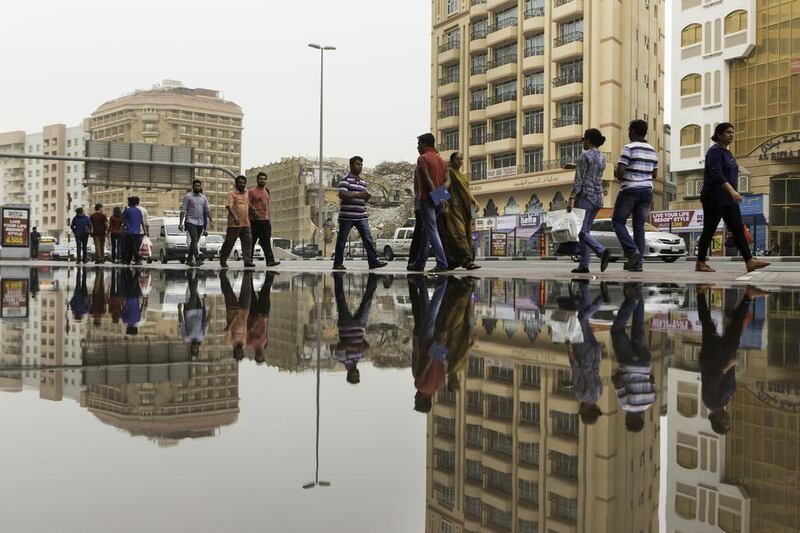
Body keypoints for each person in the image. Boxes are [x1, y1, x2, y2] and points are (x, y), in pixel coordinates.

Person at [695, 123, 769, 273]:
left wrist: (732, 193)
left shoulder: (727, 153)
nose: (732, 135)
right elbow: (717, 175)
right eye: (728, 132)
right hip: (713, 197)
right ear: (719, 134)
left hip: (728, 198)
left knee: (738, 228)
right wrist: (733, 192)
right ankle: (700, 262)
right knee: (709, 229)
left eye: (733, 132)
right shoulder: (714, 151)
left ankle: (749, 261)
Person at [698, 285, 767, 434]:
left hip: (713, 357)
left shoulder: (711, 401)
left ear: (716, 420)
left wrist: (729, 365)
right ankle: (748, 296)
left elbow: (713, 379)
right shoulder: (723, 402)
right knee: (731, 328)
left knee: (709, 325)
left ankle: (701, 293)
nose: (728, 419)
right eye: (729, 423)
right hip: (724, 356)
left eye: (724, 422)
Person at [612, 120, 659, 272]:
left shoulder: (629, 147)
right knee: (639, 226)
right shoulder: (652, 150)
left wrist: (618, 174)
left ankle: (632, 252)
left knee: (618, 222)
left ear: (632, 131)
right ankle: (637, 264)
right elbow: (655, 173)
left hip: (630, 189)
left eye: (629, 130)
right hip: (647, 190)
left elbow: (620, 172)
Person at [611, 283, 656, 432]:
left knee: (638, 326)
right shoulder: (626, 405)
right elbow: (618, 383)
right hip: (627, 363)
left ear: (642, 419)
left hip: (644, 363)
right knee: (617, 330)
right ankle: (632, 301)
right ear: (629, 420)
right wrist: (615, 374)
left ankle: (638, 290)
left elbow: (652, 379)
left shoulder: (650, 402)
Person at [567, 128, 611, 274]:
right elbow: (593, 171)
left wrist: (571, 198)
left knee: (580, 231)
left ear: (589, 140)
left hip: (586, 197)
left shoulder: (584, 156)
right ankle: (583, 265)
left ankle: (601, 251)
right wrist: (574, 166)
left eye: (584, 140)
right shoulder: (602, 157)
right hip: (598, 198)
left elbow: (579, 180)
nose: (583, 143)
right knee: (585, 231)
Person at [332, 156, 387, 271]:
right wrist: (359, 194)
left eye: (361, 164)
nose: (360, 166)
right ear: (351, 165)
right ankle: (338, 263)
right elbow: (342, 194)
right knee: (342, 239)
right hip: (347, 216)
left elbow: (362, 198)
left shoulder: (363, 182)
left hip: (361, 215)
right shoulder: (345, 180)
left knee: (368, 238)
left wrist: (365, 197)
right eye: (358, 164)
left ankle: (373, 261)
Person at [566, 280, 605, 424]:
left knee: (583, 318)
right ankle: (600, 301)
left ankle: (583, 289)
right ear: (585, 411)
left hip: (596, 355)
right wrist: (568, 349)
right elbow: (575, 367)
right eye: (581, 412)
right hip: (584, 353)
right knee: (581, 319)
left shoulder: (599, 394)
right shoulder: (581, 395)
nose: (579, 409)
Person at [409, 134, 450, 273]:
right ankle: (420, 263)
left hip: (427, 199)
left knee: (432, 231)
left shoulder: (422, 159)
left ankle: (442, 263)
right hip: (439, 198)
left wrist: (435, 195)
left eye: (419, 144)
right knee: (426, 232)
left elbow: (426, 178)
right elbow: (448, 181)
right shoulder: (442, 161)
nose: (417, 147)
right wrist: (441, 195)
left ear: (425, 144)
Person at [409, 274, 448, 412]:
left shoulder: (440, 385)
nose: (414, 398)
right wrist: (429, 352)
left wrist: (441, 345)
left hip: (438, 349)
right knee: (431, 314)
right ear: (421, 400)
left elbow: (443, 365)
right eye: (416, 401)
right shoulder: (420, 385)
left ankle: (422, 285)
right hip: (427, 347)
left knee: (428, 314)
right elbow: (424, 365)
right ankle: (443, 286)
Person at [333, 272, 379, 384]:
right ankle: (374, 278)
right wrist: (358, 346)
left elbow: (340, 347)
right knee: (367, 301)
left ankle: (337, 277)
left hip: (346, 325)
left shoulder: (343, 360)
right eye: (357, 376)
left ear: (349, 374)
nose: (356, 374)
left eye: (354, 376)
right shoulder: (358, 359)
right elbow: (366, 346)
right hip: (360, 325)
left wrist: (353, 347)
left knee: (341, 300)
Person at [439, 152, 480, 271]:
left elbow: (467, 191)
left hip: (464, 209)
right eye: (457, 159)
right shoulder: (449, 173)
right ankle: (467, 260)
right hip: (452, 208)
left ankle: (457, 261)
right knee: (458, 234)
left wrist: (474, 201)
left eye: (461, 159)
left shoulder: (463, 176)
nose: (460, 161)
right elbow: (446, 185)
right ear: (451, 161)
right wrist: (436, 199)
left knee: (466, 234)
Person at [220, 175, 255, 269]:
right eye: (240, 182)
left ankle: (247, 261)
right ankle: (223, 259)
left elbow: (247, 203)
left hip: (246, 222)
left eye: (243, 182)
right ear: (236, 183)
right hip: (234, 223)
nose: (242, 184)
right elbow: (229, 206)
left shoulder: (247, 193)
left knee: (248, 242)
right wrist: (235, 216)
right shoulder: (232, 194)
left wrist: (253, 209)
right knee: (230, 242)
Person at [249, 171, 280, 268]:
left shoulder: (267, 191)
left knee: (266, 241)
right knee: (252, 242)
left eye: (264, 179)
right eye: (260, 179)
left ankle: (270, 261)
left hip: (265, 221)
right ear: (257, 179)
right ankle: (249, 261)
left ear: (266, 180)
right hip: (254, 221)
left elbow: (267, 206)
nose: (262, 180)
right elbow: (247, 203)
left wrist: (268, 219)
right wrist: (253, 210)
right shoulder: (251, 191)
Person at [220, 270, 252, 360]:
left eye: (238, 353)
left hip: (232, 312)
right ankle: (247, 273)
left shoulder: (230, 342)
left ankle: (222, 275)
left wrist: (234, 319)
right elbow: (246, 329)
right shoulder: (244, 343)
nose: (240, 351)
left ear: (234, 352)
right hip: (244, 311)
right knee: (247, 291)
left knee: (228, 291)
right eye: (241, 353)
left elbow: (227, 330)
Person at [179, 179, 211, 268]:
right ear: (193, 187)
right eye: (195, 185)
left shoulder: (203, 198)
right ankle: (197, 259)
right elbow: (183, 210)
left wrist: (211, 222)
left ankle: (189, 260)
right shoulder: (188, 197)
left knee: (194, 242)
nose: (197, 187)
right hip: (190, 221)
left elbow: (207, 210)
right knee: (194, 239)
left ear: (200, 187)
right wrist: (180, 223)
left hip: (200, 223)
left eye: (198, 186)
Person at [179, 269, 209, 359]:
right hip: (199, 311)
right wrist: (207, 309)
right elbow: (206, 323)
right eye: (196, 348)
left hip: (189, 312)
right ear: (198, 348)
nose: (195, 347)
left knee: (193, 294)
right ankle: (189, 275)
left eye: (193, 348)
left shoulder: (186, 338)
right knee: (194, 293)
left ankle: (196, 275)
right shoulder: (202, 336)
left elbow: (182, 324)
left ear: (191, 348)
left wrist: (179, 310)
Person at [247, 271, 276, 364]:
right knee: (266, 291)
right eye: (261, 357)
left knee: (250, 292)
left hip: (254, 314)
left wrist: (252, 325)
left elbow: (246, 330)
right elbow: (265, 330)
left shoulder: (250, 344)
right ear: (263, 356)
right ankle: (270, 274)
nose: (260, 355)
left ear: (255, 356)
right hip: (264, 313)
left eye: (258, 357)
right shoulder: (264, 344)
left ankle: (248, 274)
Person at [121, 268, 146, 335]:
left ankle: (135, 272)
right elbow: (122, 309)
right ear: (127, 329)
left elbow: (140, 309)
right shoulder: (125, 320)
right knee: (130, 283)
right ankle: (135, 272)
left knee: (134, 284)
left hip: (136, 298)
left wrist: (143, 299)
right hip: (128, 298)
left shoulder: (138, 319)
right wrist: (122, 299)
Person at [122, 197, 144, 265]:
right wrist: (145, 231)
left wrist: (123, 227)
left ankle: (138, 259)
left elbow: (123, 219)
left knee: (131, 246)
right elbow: (141, 221)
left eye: (128, 201)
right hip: (137, 232)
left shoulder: (127, 210)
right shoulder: (139, 211)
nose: (127, 203)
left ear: (131, 202)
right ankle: (127, 260)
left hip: (130, 231)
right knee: (130, 246)